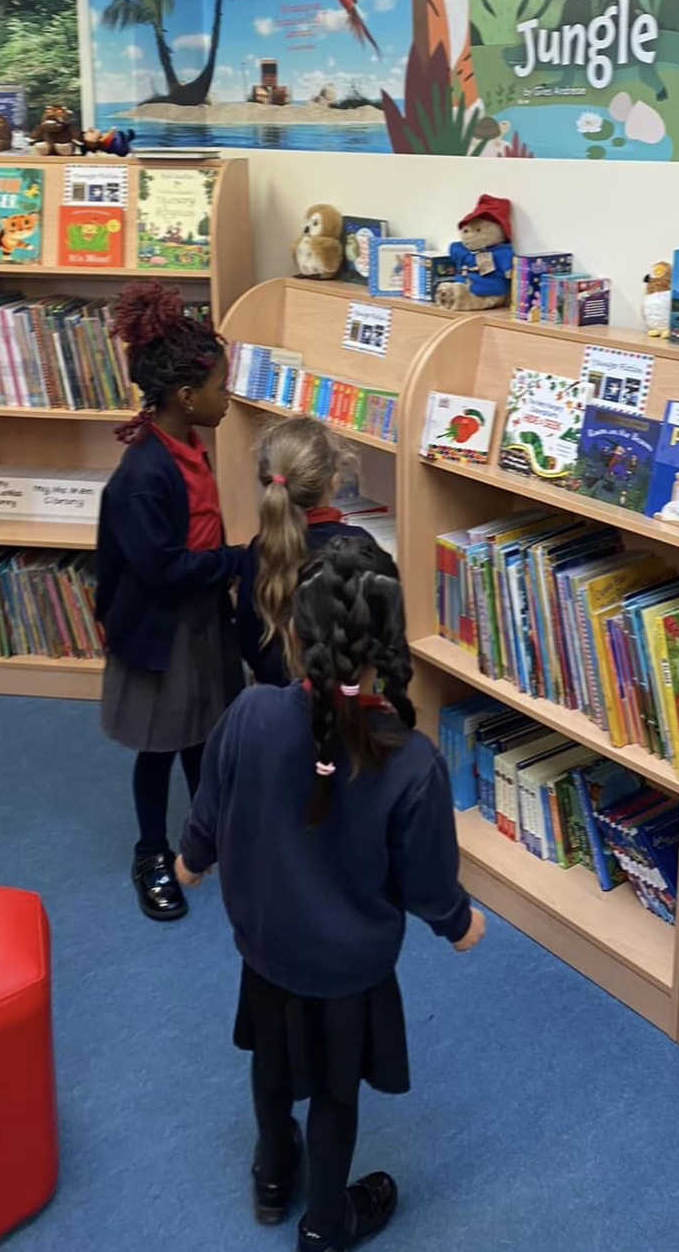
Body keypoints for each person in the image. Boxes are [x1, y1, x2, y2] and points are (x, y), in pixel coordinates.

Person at [176, 535, 485, 1251]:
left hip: (266, 947)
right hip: (350, 971)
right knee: (335, 1092)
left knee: (270, 1061)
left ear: (291, 630)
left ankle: (273, 1170)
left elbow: (211, 803)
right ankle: (324, 1222)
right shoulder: (412, 761)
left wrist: (191, 859)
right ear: (391, 645)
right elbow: (427, 878)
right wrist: (457, 921)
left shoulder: (250, 713)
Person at [96, 281, 242, 922]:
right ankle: (151, 851)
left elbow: (201, 532)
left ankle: (206, 838)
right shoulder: (142, 474)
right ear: (187, 396)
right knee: (159, 745)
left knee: (204, 736)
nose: (227, 396)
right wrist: (238, 562)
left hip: (203, 616)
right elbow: (161, 568)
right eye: (220, 387)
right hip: (161, 630)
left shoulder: (189, 448)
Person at [236, 414, 372, 685]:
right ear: (334, 480)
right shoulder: (359, 546)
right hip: (342, 701)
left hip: (274, 696)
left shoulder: (259, 549)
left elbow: (247, 638)